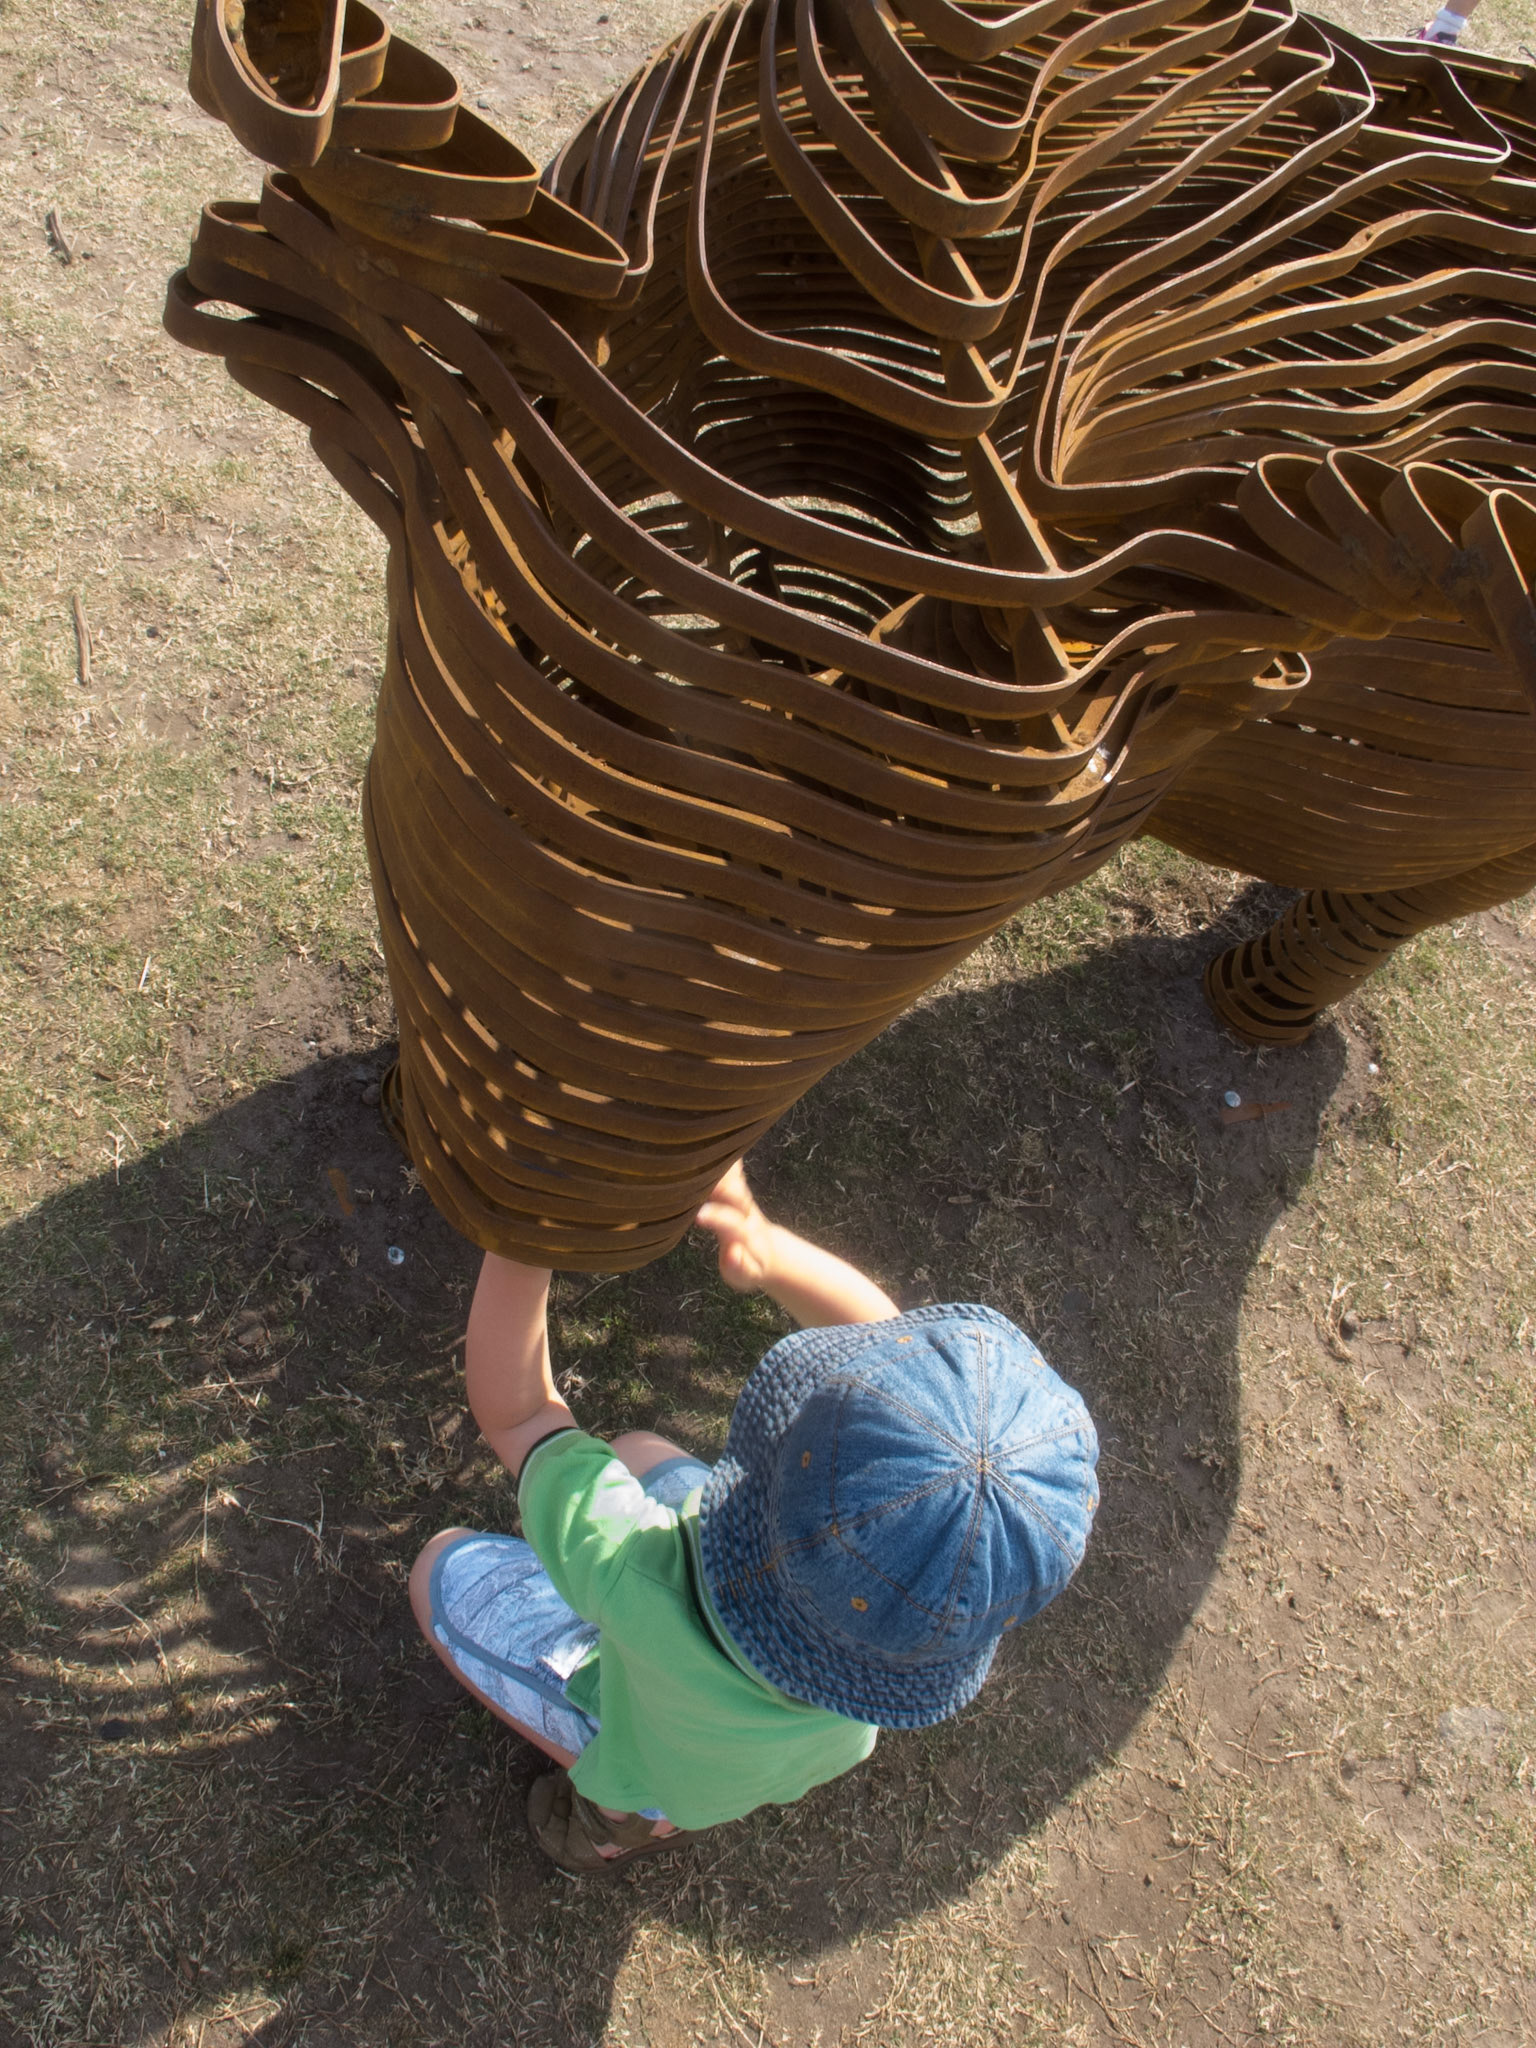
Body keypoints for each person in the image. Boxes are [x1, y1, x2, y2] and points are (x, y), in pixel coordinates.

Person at [408, 1160, 1100, 1874]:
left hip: (654, 1747)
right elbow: (889, 1347)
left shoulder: (633, 1567)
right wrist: (765, 1249)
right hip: (769, 1750)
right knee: (639, 1451)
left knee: (438, 1570)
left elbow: (519, 1415)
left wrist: (528, 1232)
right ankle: (662, 1805)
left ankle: (614, 1820)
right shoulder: (913, 1618)